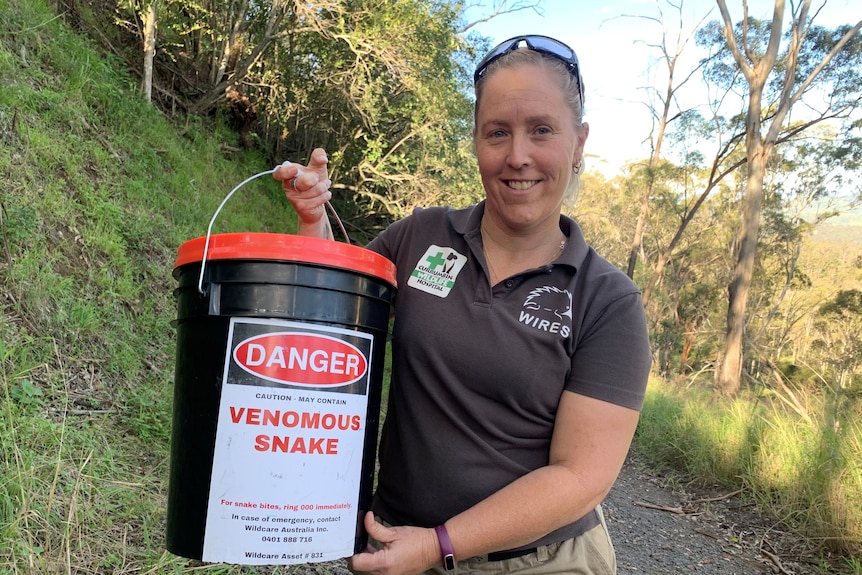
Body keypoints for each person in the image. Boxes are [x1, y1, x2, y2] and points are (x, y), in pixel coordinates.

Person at [274, 35, 651, 575]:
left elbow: (580, 477)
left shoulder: (608, 300)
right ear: (475, 141)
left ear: (578, 142)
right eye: (497, 132)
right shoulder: (422, 237)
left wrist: (438, 545)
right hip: (397, 541)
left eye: (541, 130)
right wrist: (313, 218)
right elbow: (330, 317)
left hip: (540, 561)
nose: (518, 155)